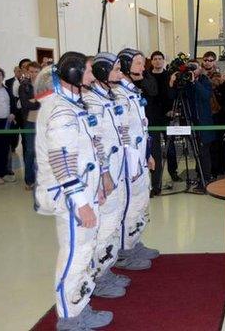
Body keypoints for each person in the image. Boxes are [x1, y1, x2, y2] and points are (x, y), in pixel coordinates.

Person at [33, 56, 113, 331]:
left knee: (86, 251)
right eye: (89, 71)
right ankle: (69, 318)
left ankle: (80, 306)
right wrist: (81, 202)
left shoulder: (72, 105)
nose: (93, 76)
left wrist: (99, 184)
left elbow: (89, 149)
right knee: (75, 255)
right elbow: (62, 161)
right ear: (74, 73)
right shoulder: (61, 112)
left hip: (84, 189)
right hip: (70, 197)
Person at [85, 52, 142, 297]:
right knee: (105, 224)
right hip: (105, 172)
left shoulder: (107, 97)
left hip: (119, 166)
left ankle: (106, 268)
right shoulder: (92, 102)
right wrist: (105, 172)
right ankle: (98, 276)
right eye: (116, 69)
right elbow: (95, 141)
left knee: (113, 220)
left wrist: (134, 159)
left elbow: (122, 132)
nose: (120, 74)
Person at [113, 48, 158, 270]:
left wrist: (148, 154)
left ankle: (134, 241)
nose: (143, 67)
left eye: (143, 63)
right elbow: (120, 131)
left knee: (141, 203)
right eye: (138, 63)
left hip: (139, 157)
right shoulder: (118, 94)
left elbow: (141, 128)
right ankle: (124, 251)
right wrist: (129, 159)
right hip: (128, 160)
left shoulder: (132, 91)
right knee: (129, 205)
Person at [169, 60, 215, 192]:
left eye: (195, 67)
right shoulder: (184, 82)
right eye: (190, 68)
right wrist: (172, 83)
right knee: (196, 153)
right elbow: (174, 97)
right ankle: (200, 177)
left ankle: (205, 179)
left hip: (204, 123)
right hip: (190, 122)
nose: (193, 70)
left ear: (200, 68)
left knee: (204, 153)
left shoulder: (204, 80)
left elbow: (206, 96)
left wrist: (194, 82)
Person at [147, 51, 172, 195]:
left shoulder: (169, 76)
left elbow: (171, 95)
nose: (157, 61)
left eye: (159, 59)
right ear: (152, 61)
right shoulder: (147, 77)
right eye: (154, 59)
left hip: (167, 116)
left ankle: (173, 172)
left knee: (171, 148)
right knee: (155, 151)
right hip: (152, 118)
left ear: (163, 60)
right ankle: (156, 185)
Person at [19, 61, 42, 190]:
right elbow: (26, 104)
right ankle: (29, 180)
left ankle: (43, 180)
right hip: (30, 121)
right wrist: (39, 100)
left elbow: (48, 101)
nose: (33, 74)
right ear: (27, 72)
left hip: (44, 121)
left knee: (44, 151)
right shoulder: (24, 86)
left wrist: (35, 100)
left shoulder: (45, 84)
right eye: (31, 72)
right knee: (30, 151)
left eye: (36, 71)